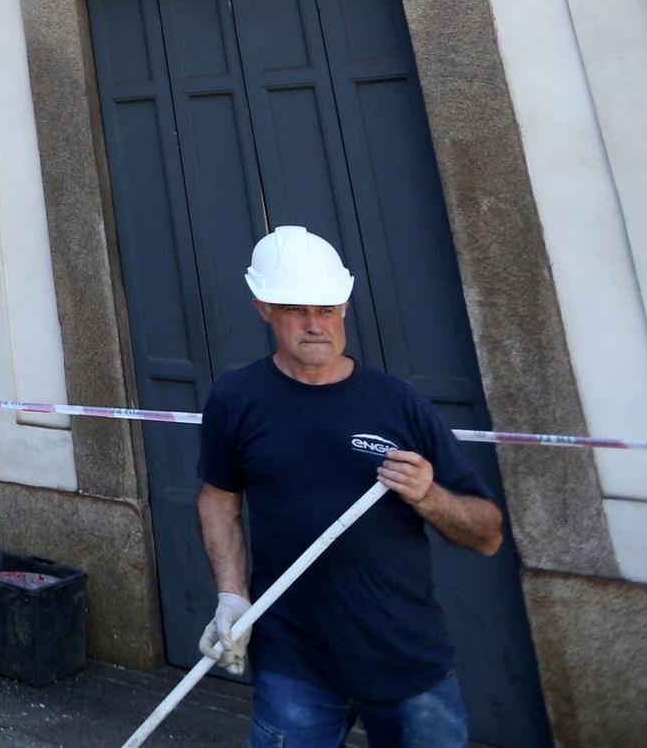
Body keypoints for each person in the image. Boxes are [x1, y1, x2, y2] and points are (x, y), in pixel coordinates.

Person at [195, 226, 505, 748]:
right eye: (297, 309)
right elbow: (219, 499)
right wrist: (231, 595)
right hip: (294, 662)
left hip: (406, 661)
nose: (316, 325)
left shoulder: (399, 403)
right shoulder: (236, 398)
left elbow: (488, 535)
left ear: (345, 307)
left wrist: (429, 496)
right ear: (263, 308)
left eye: (328, 309)